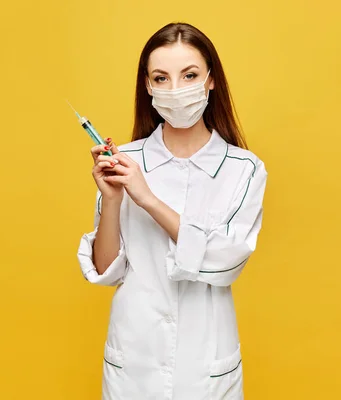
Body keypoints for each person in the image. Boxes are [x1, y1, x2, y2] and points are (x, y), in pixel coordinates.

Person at [76, 22, 268, 400]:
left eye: (190, 75)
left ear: (211, 80)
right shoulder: (124, 162)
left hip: (206, 363)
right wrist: (113, 201)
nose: (176, 90)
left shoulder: (244, 169)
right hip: (135, 359)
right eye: (161, 78)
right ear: (147, 86)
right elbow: (105, 270)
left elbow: (226, 261)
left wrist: (147, 198)